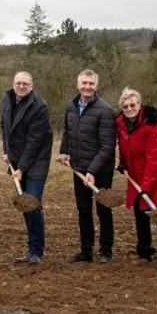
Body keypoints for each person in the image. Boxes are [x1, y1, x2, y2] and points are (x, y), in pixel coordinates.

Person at [115, 87, 157, 271]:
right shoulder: (120, 124)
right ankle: (144, 251)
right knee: (140, 211)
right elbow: (123, 146)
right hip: (136, 175)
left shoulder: (152, 124)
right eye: (126, 106)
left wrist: (146, 187)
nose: (130, 108)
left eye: (133, 105)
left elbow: (155, 158)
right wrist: (122, 163)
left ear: (139, 104)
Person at [58, 69, 116, 264]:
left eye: (91, 84)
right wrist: (64, 152)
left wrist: (92, 171)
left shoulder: (105, 110)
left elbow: (108, 146)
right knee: (83, 210)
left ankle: (106, 251)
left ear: (96, 86)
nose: (87, 87)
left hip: (101, 170)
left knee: (103, 209)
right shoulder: (71, 106)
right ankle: (86, 251)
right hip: (79, 167)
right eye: (84, 83)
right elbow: (67, 132)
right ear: (78, 85)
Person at [1, 71, 54, 265]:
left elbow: (34, 141)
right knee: (25, 205)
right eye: (18, 83)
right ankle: (31, 249)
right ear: (13, 84)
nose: (21, 86)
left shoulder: (40, 106)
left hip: (37, 161)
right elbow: (3, 127)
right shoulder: (7, 100)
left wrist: (21, 168)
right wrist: (6, 151)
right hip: (16, 161)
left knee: (32, 203)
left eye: (25, 83)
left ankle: (36, 251)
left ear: (32, 86)